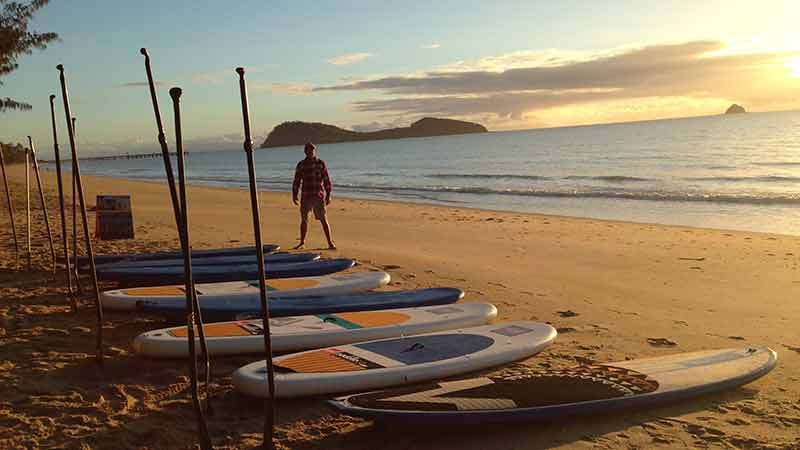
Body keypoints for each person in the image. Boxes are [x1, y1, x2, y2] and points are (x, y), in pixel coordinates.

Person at [292, 142, 336, 249]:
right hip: (306, 196)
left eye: (312, 150)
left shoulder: (320, 163)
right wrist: (294, 194)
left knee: (323, 220)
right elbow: (297, 180)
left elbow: (326, 180)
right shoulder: (301, 164)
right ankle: (302, 242)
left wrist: (328, 194)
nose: (310, 152)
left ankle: (330, 243)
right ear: (305, 151)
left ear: (314, 151)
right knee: (304, 220)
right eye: (308, 150)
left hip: (318, 196)